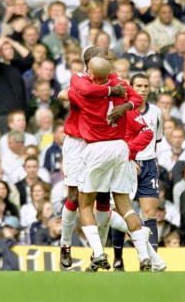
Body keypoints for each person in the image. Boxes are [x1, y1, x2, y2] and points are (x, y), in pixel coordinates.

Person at [60, 55, 153, 271]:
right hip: (115, 147)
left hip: (96, 148)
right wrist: (122, 101)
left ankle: (99, 252)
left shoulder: (86, 93)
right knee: (123, 205)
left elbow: (65, 94)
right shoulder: (117, 87)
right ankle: (144, 253)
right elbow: (136, 100)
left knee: (87, 203)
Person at [109, 73, 163, 271]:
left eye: (146, 86)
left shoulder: (156, 112)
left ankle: (153, 259)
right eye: (138, 86)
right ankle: (117, 258)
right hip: (126, 162)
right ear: (131, 88)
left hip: (148, 164)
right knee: (122, 211)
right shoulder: (122, 110)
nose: (142, 90)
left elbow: (156, 141)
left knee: (149, 213)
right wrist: (130, 156)